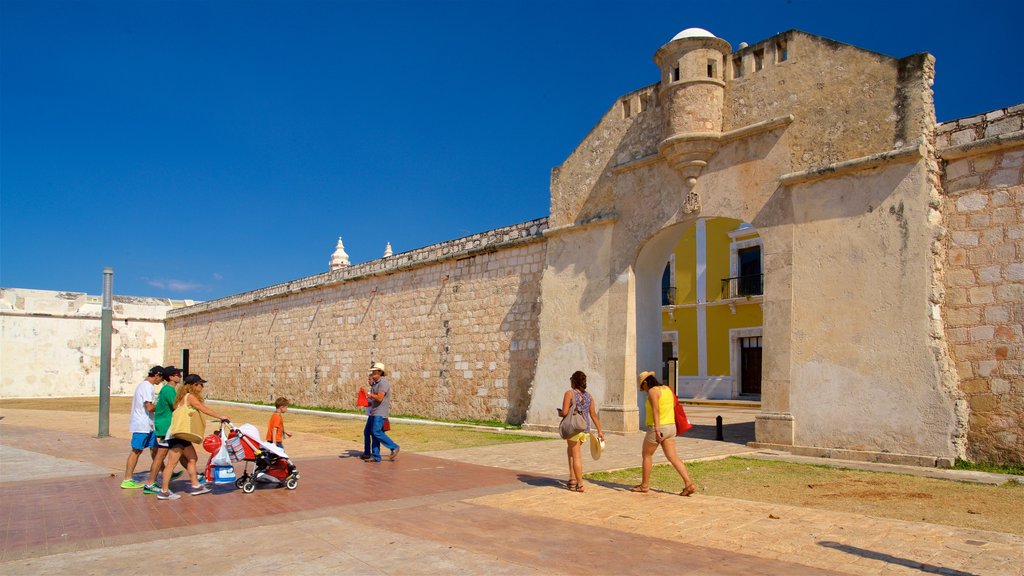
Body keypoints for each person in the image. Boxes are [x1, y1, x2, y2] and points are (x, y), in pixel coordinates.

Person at [157, 374, 230, 500]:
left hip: (183, 435)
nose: (202, 386)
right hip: (178, 435)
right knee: (171, 463)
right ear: (193, 385)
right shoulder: (189, 397)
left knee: (192, 458)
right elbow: (203, 408)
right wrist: (220, 416)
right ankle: (164, 491)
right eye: (200, 384)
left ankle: (196, 485)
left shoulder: (182, 397)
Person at [631, 371, 697, 496]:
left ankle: (644, 485)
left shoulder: (652, 392)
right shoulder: (667, 389)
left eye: (642, 387)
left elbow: (656, 410)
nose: (643, 390)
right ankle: (689, 484)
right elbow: (672, 405)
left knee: (646, 455)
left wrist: (657, 430)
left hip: (658, 427)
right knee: (673, 457)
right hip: (671, 426)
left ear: (645, 383)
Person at [558, 370, 604, 493]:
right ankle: (572, 479)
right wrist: (600, 431)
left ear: (573, 381)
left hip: (574, 429)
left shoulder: (569, 394)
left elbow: (564, 412)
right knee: (572, 452)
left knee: (576, 456)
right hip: (585, 430)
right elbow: (593, 415)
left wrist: (560, 413)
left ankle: (580, 483)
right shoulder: (589, 396)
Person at [143, 366, 186, 494]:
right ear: (171, 377)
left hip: (166, 426)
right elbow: (176, 406)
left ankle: (195, 475)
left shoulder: (168, 389)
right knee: (160, 456)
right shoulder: (168, 390)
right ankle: (150, 483)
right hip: (166, 427)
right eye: (177, 374)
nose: (179, 376)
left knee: (181, 451)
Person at [122, 366, 163, 488]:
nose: (160, 381)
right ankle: (127, 479)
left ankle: (164, 471)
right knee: (136, 450)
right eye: (160, 378)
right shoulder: (147, 387)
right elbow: (149, 407)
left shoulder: (145, 386)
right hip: (142, 425)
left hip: (148, 425)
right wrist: (162, 407)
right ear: (156, 375)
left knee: (155, 449)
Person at [363, 362, 399, 463]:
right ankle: (375, 456)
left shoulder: (383, 383)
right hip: (374, 412)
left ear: (380, 372)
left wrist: (369, 395)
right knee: (370, 432)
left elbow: (379, 398)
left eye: (374, 372)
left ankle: (394, 447)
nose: (373, 374)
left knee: (376, 432)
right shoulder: (376, 384)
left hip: (380, 412)